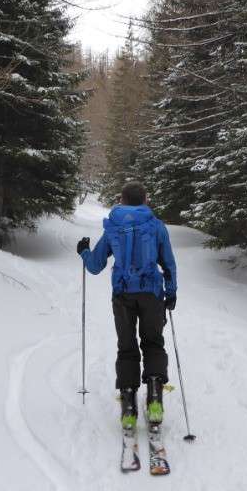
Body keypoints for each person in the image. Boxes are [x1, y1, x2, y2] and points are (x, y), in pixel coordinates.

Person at [77, 181, 178, 430]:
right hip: (152, 294)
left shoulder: (113, 226)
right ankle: (154, 400)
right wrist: (171, 292)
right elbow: (169, 263)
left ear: (121, 201)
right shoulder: (156, 226)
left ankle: (129, 408)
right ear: (145, 201)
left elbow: (95, 265)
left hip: (122, 294)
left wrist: (84, 251)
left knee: (127, 347)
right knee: (153, 344)